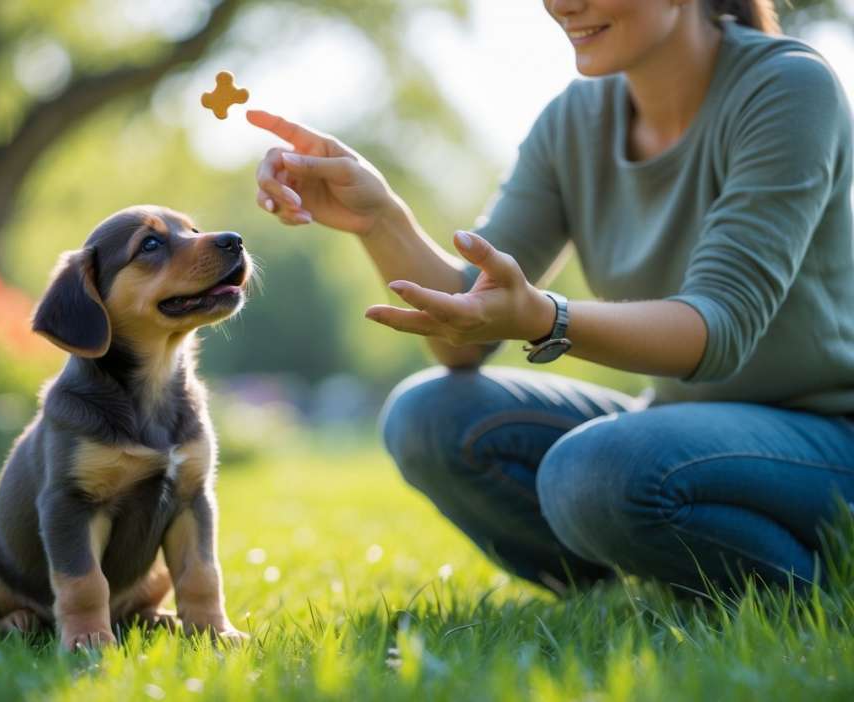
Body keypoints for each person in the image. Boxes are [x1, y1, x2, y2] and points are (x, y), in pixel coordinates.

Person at [247, 0, 854, 594]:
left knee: (597, 469)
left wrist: (546, 318)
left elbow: (718, 329)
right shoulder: (574, 121)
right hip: (679, 429)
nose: (562, 5)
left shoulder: (788, 86)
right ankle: (626, 587)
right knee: (427, 416)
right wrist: (380, 218)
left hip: (826, 437)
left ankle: (819, 581)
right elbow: (463, 338)